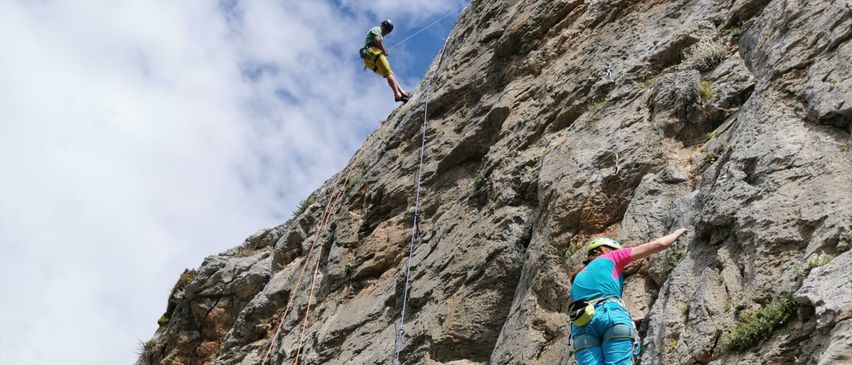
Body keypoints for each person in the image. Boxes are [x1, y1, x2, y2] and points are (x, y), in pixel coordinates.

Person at [569, 228, 688, 365]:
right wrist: (675, 234)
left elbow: (589, 310)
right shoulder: (612, 257)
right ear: (604, 249)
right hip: (612, 316)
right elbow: (658, 245)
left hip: (581, 327)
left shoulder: (575, 279)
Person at [360, 19, 410, 102]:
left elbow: (376, 41)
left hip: (368, 61)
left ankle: (402, 91)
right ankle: (397, 94)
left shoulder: (378, 32)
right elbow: (377, 40)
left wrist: (382, 51)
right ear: (383, 26)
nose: (386, 32)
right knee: (389, 73)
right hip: (373, 52)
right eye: (387, 30)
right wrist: (383, 51)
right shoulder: (377, 29)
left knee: (389, 74)